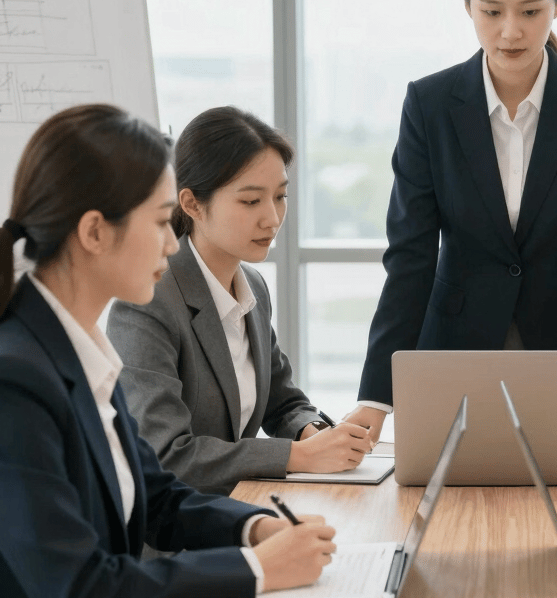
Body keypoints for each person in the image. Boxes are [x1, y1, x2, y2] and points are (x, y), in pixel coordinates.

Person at [0, 104, 336, 596]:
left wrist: (256, 528)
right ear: (94, 232)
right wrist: (257, 569)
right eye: (161, 222)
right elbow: (75, 584)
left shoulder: (79, 350)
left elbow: (157, 497)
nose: (173, 245)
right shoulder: (16, 380)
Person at [350, 0, 557, 436]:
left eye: (530, 12)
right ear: (469, 7)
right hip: (453, 352)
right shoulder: (429, 103)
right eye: (493, 12)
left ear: (556, 6)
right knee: (448, 480)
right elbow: (409, 258)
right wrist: (374, 398)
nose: (511, 32)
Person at [107, 106, 373, 496]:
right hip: (177, 525)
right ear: (192, 204)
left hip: (238, 506)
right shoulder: (148, 301)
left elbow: (281, 402)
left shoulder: (253, 287)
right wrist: (298, 456)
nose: (272, 218)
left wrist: (313, 432)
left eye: (280, 196)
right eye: (250, 201)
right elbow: (166, 456)